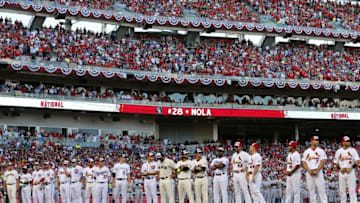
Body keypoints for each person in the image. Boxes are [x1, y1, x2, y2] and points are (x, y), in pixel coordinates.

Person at [302, 136, 328, 203]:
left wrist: (317, 170)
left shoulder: (321, 151)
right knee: (311, 191)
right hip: (309, 172)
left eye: (317, 140)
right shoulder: (306, 152)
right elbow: (304, 162)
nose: (317, 141)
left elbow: (322, 161)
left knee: (322, 190)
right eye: (315, 140)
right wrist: (309, 170)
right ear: (311, 141)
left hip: (318, 172)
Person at [334, 135, 360, 203]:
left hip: (350, 172)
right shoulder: (338, 151)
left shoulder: (353, 150)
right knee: (342, 190)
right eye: (347, 141)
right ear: (343, 142)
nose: (349, 142)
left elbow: (357, 161)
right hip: (341, 172)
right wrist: (340, 169)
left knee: (352, 190)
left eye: (349, 141)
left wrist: (351, 168)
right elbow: (336, 163)